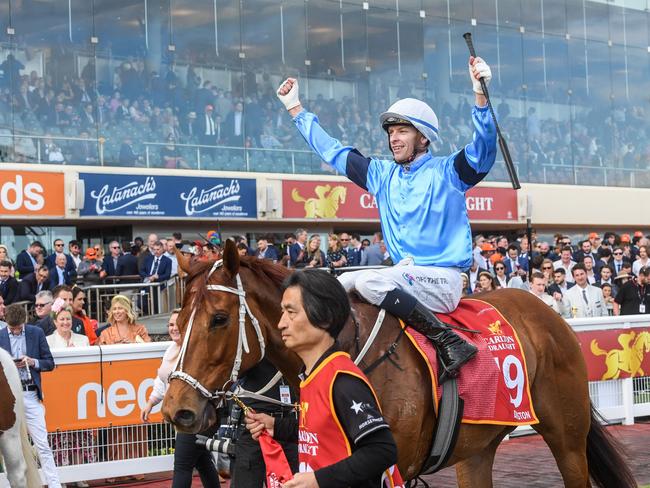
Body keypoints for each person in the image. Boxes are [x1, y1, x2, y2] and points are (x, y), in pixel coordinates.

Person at [276, 56, 495, 377]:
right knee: (339, 284)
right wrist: (296, 110)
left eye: (402, 130)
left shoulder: (448, 172)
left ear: (423, 137)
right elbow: (334, 152)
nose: (393, 137)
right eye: (391, 131)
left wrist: (480, 96)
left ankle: (448, 339)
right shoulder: (381, 175)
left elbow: (484, 148)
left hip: (443, 279)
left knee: (368, 280)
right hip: (404, 275)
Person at [245, 270, 401, 487]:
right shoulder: (312, 374)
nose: (280, 323)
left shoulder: (342, 381)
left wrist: (318, 480)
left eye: (291, 312)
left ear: (325, 318)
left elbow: (382, 451)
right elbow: (323, 429)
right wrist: (277, 427)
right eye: (282, 312)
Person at [141, 309, 221, 488]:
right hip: (183, 414)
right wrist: (150, 403)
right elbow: (162, 381)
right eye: (170, 324)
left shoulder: (196, 350)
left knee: (182, 464)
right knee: (202, 460)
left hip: (198, 415)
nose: (174, 328)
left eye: (178, 324)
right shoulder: (171, 349)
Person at [0, 304, 61, 488]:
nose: (15, 331)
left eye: (18, 328)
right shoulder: (1, 335)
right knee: (9, 445)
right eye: (12, 328)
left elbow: (49, 363)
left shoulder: (36, 333)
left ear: (25, 322)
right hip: (7, 400)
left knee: (42, 444)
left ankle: (54, 484)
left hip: (30, 394)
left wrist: (33, 362)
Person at [97, 295, 150, 479]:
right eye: (115, 308)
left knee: (137, 424)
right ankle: (115, 469)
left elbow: (149, 349)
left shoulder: (140, 330)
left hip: (136, 384)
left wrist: (134, 344)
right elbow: (100, 356)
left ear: (128, 310)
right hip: (114, 385)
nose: (118, 312)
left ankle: (138, 468)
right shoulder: (105, 333)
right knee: (116, 427)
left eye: (121, 308)